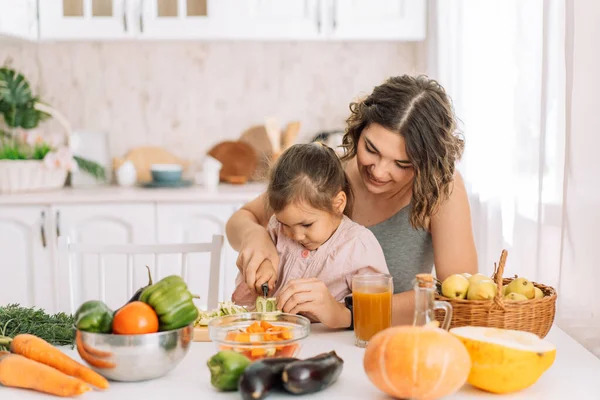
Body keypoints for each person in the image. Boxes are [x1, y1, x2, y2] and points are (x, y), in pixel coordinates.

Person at [226, 75, 478, 328]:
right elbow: (241, 219)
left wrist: (348, 313)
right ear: (358, 130)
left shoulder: (441, 188)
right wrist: (254, 236)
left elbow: (459, 295)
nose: (379, 171)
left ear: (426, 163)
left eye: (402, 164)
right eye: (371, 149)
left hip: (385, 341)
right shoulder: (326, 175)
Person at [231, 142, 389, 328]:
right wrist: (256, 280)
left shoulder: (358, 246)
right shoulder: (275, 231)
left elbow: (377, 314)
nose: (296, 235)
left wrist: (337, 313)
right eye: (285, 224)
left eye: (306, 224)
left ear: (338, 204)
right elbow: (244, 305)